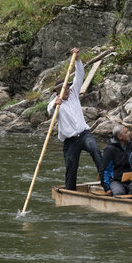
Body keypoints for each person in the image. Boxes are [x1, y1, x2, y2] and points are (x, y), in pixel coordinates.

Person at [47, 47, 102, 190]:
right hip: (70, 141)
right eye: (64, 89)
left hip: (84, 134)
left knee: (95, 150)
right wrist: (55, 103)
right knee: (71, 166)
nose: (67, 91)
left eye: (67, 88)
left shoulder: (73, 94)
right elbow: (49, 110)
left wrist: (77, 58)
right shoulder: (56, 103)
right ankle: (70, 191)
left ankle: (106, 181)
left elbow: (80, 74)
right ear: (58, 92)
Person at [99, 125, 132, 196]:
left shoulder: (131, 147)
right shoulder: (110, 150)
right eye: (126, 132)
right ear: (120, 136)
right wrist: (107, 188)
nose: (129, 133)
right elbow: (104, 170)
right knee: (119, 192)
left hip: (131, 180)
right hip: (116, 181)